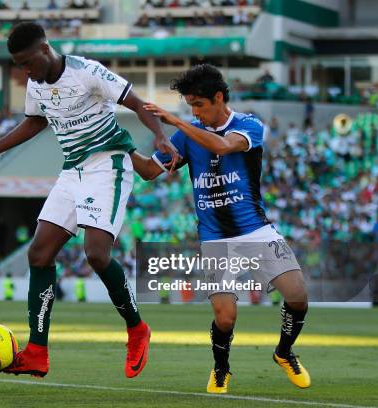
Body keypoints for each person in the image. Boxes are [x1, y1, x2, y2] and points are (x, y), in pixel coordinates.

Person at [0, 22, 177, 379]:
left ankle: (137, 330)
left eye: (27, 62)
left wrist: (160, 135)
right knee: (39, 254)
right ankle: (37, 353)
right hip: (72, 169)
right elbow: (33, 123)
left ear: (45, 49)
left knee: (96, 255)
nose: (25, 71)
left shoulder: (86, 72)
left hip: (108, 166)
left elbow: (136, 103)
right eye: (18, 65)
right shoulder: (35, 84)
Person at [131, 64, 311, 393]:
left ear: (218, 97)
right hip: (215, 239)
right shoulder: (187, 135)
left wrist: (175, 122)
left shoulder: (249, 126)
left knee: (298, 296)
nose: (195, 112)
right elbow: (148, 171)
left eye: (199, 105)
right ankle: (221, 368)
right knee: (225, 318)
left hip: (256, 230)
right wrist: (120, 146)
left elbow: (223, 146)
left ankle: (284, 353)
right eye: (189, 107)